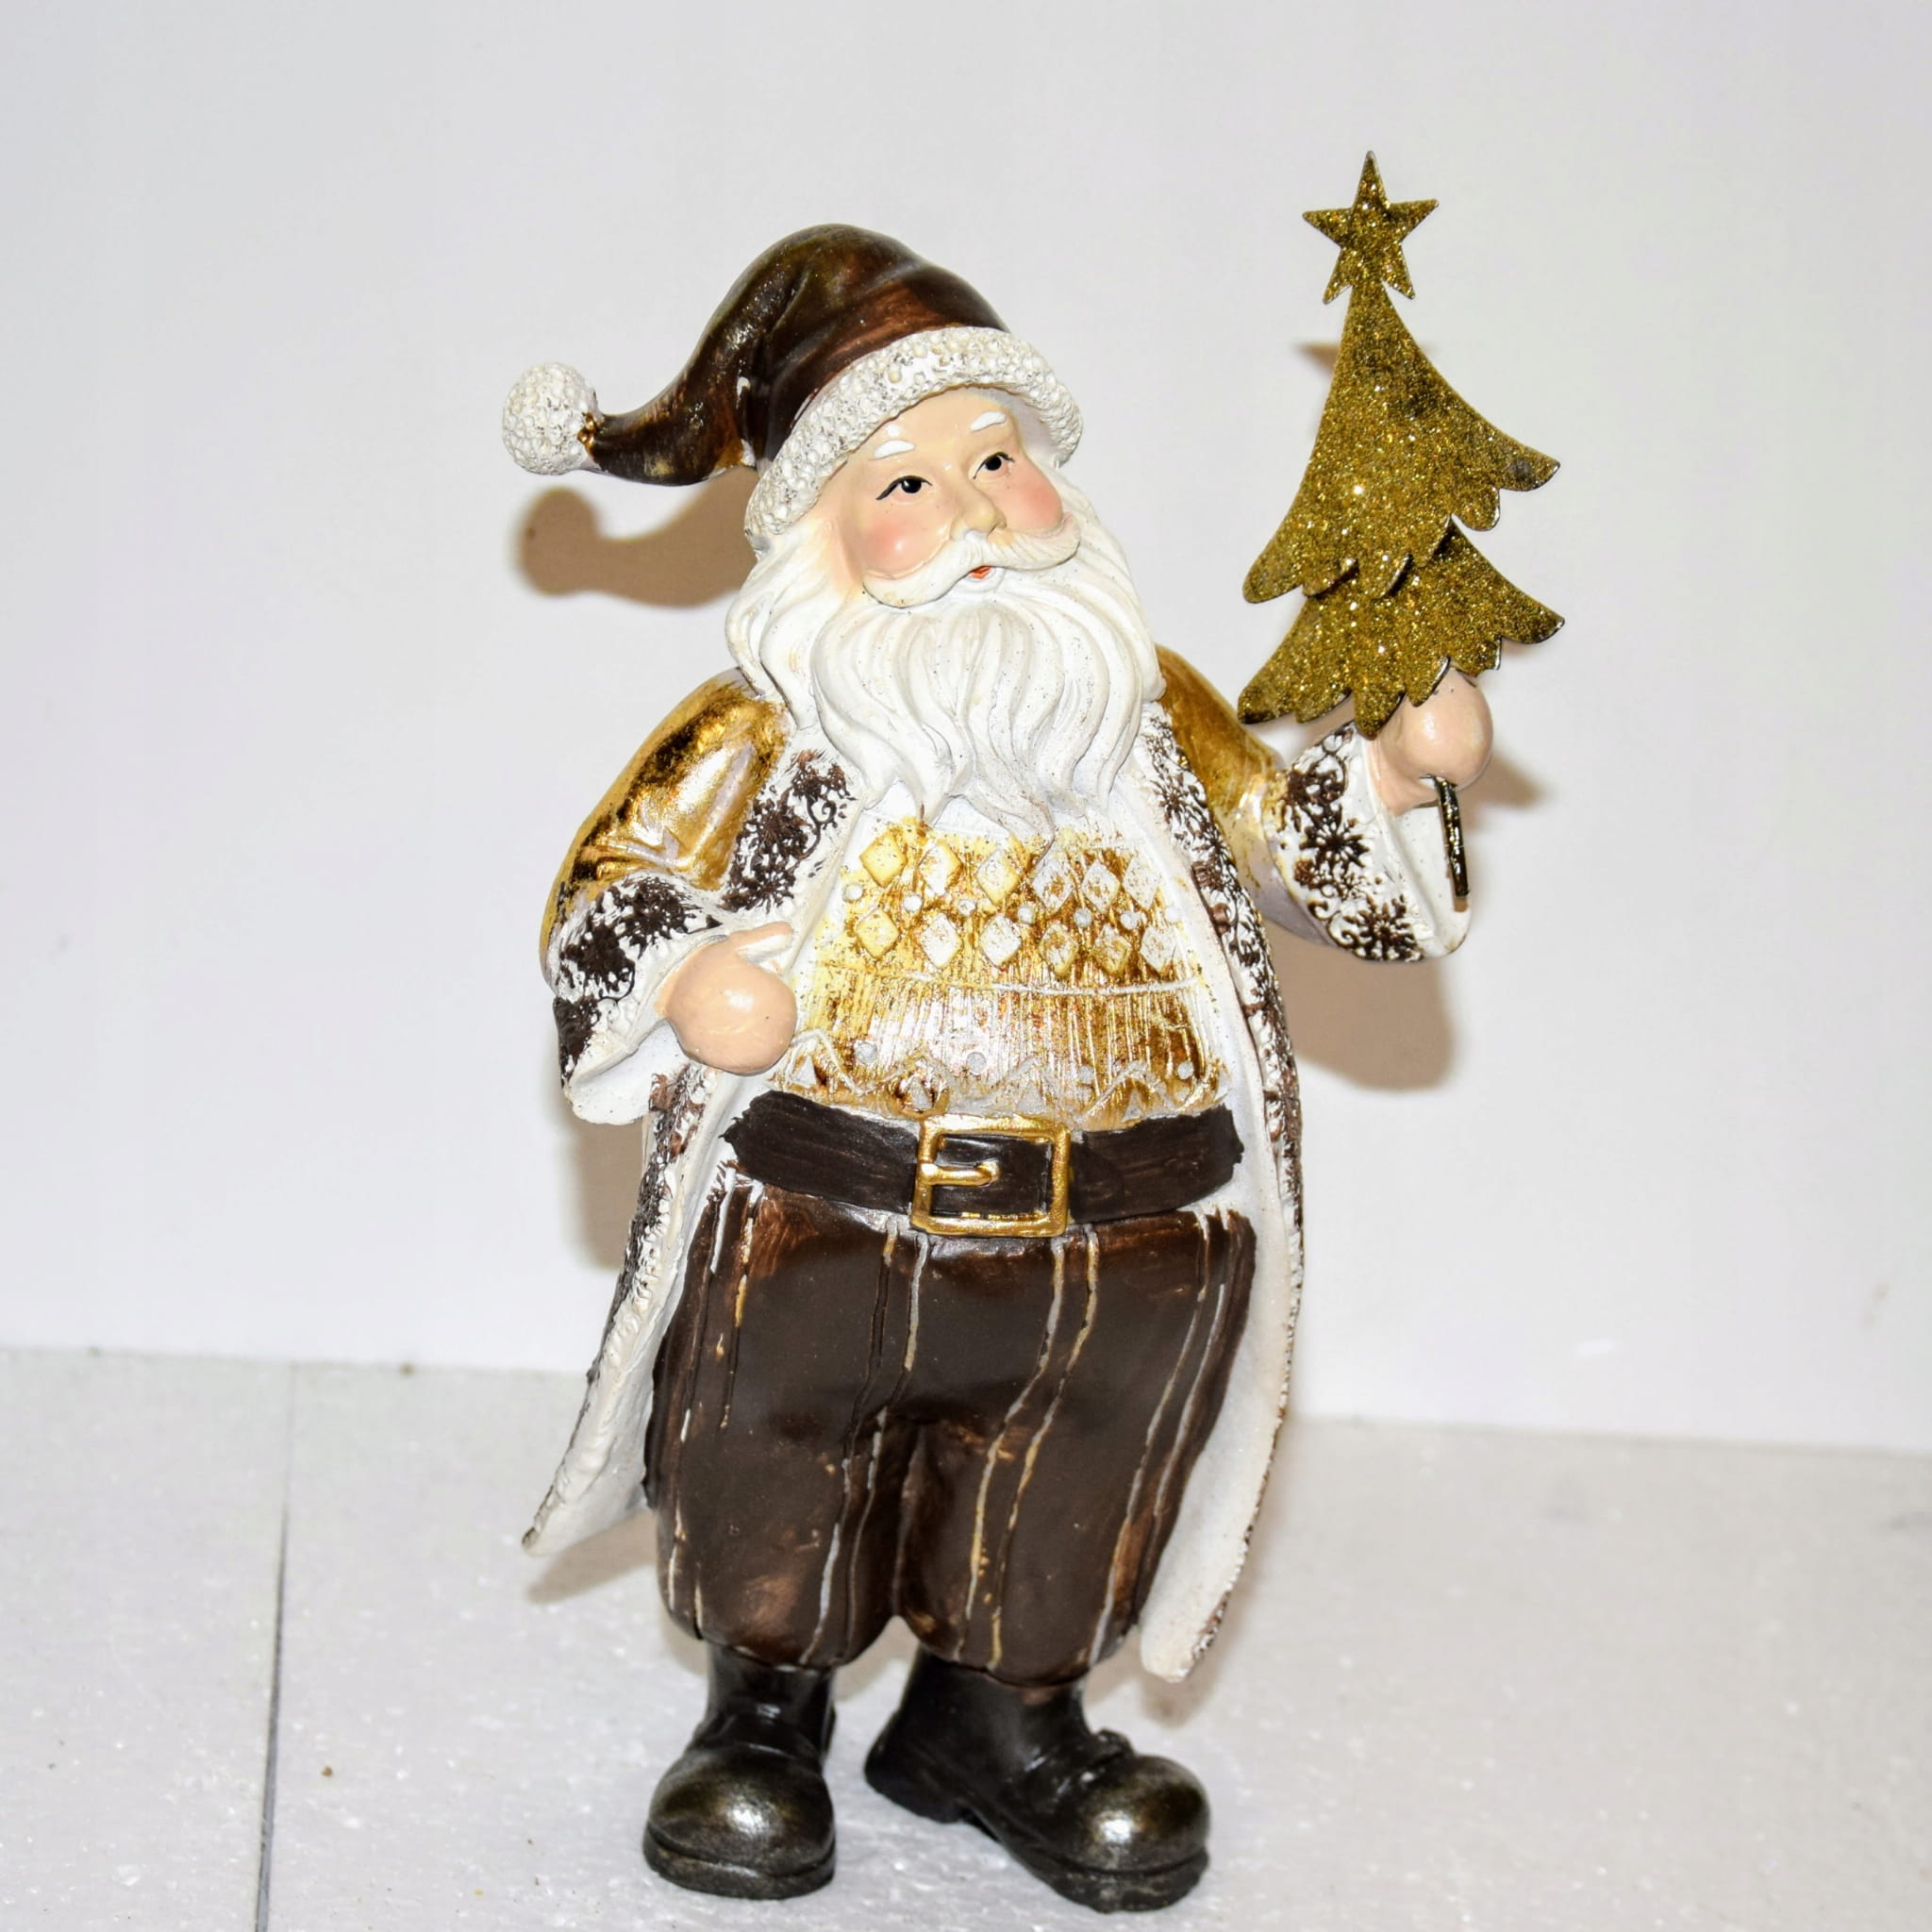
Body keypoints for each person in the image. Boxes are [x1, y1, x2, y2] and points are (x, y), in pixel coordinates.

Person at [503, 225, 1490, 1912]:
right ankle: (764, 1713)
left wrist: (1394, 781)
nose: (970, 510)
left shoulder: (1147, 713)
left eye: (996, 459)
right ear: (820, 537)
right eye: (905, 484)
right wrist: (688, 978)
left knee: (1076, 1477)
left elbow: (1294, 852)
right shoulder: (764, 728)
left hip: (1131, 1223)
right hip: (826, 1202)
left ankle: (1000, 1722)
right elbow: (611, 890)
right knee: (779, 1456)